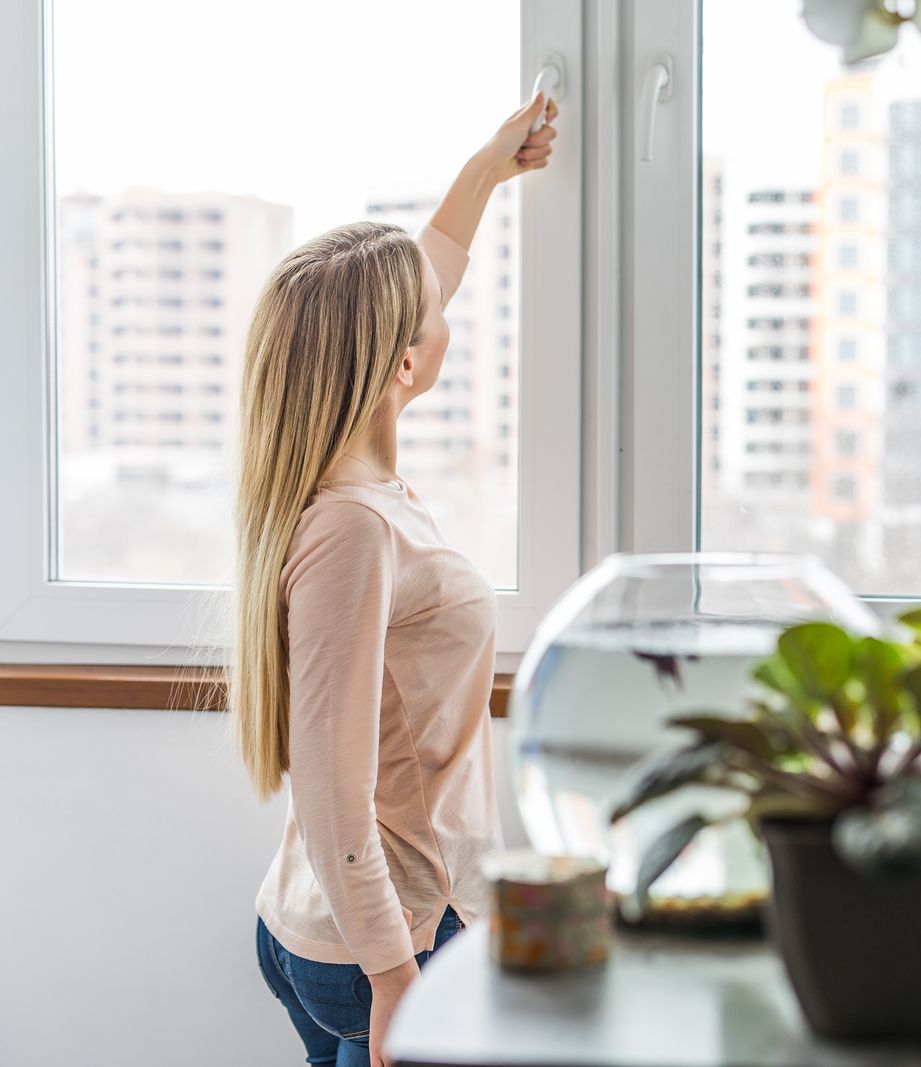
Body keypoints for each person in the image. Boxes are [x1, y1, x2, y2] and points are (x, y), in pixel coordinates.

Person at [231, 91, 559, 1067]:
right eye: (425, 315)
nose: (439, 302)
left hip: (333, 918)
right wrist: (393, 977)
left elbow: (427, 274)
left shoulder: (342, 479)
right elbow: (331, 783)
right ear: (403, 365)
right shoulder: (352, 528)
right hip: (390, 936)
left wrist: (484, 171)